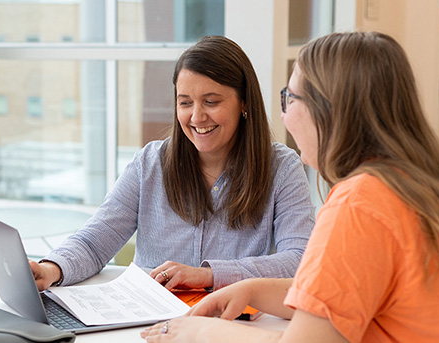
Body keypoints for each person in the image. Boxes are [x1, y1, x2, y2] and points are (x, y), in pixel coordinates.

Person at [141, 31, 439, 343]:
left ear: (331, 112)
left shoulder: (362, 203)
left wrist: (197, 332)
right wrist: (250, 288)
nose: (284, 116)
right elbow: (339, 293)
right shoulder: (416, 185)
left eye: (290, 98)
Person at [29, 35, 315, 292]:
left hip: (227, 324)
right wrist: (49, 270)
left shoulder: (282, 168)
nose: (197, 117)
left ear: (243, 103)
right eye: (185, 102)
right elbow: (95, 242)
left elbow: (298, 258)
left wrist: (208, 275)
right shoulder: (150, 163)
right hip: (145, 319)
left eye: (211, 101)